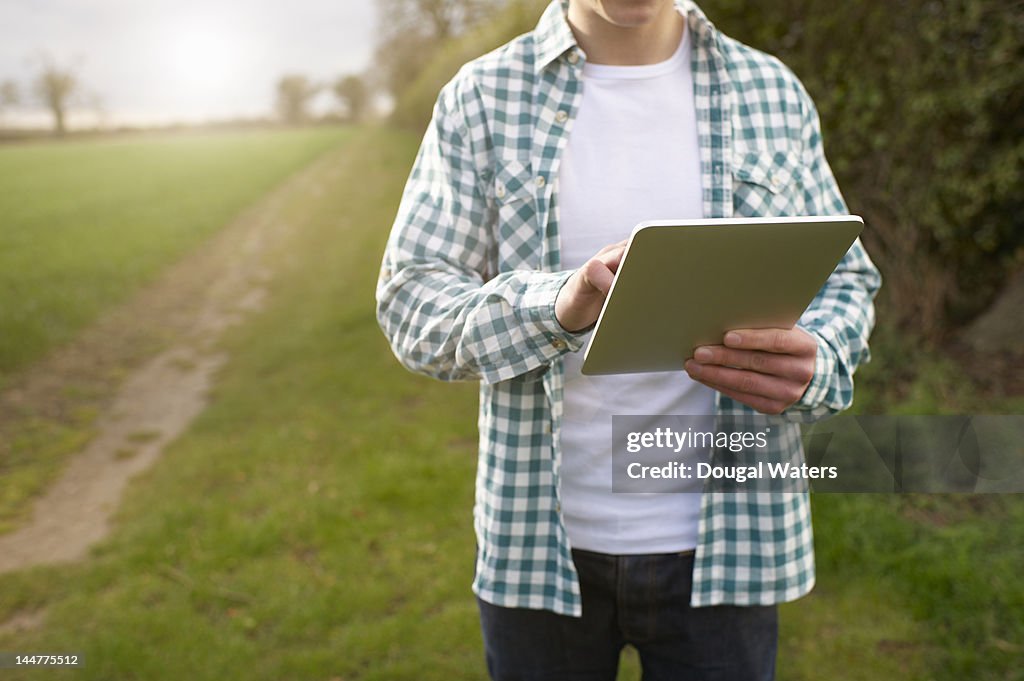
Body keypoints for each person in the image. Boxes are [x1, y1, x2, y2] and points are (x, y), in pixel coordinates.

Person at [376, 0, 881, 678]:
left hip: (729, 554)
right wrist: (559, 303)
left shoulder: (770, 90)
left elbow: (845, 280)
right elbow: (413, 299)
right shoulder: (483, 97)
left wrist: (819, 359)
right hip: (538, 554)